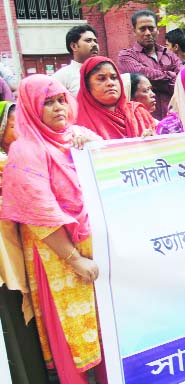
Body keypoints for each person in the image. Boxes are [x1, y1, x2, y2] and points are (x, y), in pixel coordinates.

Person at [1, 75, 105, 384]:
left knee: (105, 326)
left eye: (61, 99)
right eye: (48, 102)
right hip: (57, 256)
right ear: (32, 108)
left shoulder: (77, 135)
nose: (58, 107)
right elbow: (38, 213)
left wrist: (93, 146)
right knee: (71, 334)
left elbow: (114, 165)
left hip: (92, 246)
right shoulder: (25, 150)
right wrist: (75, 259)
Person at [0, 100, 50, 384]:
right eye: (13, 125)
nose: (21, 130)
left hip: (29, 248)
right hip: (7, 255)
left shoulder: (33, 157)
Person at [118, 10, 183, 120]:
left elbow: (183, 79)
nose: (147, 33)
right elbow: (144, 76)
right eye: (142, 29)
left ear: (157, 30)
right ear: (134, 31)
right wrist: (172, 76)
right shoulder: (126, 56)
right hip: (144, 121)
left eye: (151, 28)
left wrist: (160, 81)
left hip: (175, 118)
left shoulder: (169, 54)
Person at [77, 56, 156, 139]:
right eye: (102, 79)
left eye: (114, 78)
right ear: (87, 86)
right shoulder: (79, 122)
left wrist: (153, 139)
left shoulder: (138, 112)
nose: (110, 83)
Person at [53, 25, 99, 96]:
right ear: (74, 46)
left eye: (95, 41)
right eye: (88, 41)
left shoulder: (104, 72)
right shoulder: (62, 76)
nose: (94, 45)